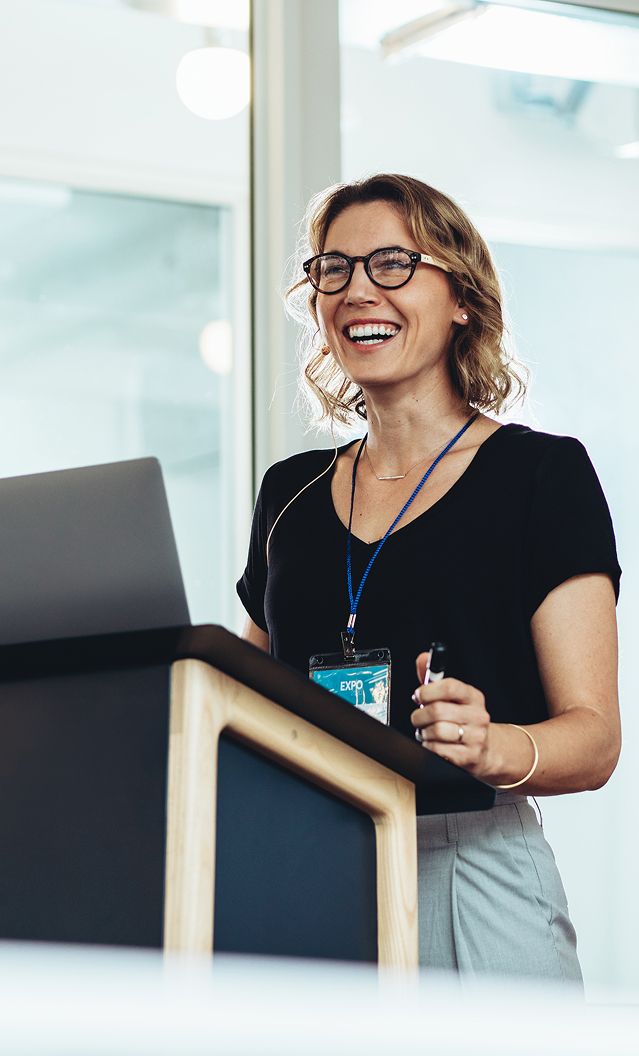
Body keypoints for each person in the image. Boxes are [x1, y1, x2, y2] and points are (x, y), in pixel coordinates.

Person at [237, 173, 621, 984]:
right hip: (309, 869)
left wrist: (490, 745)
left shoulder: (540, 474)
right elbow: (247, 705)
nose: (353, 291)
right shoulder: (289, 493)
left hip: (469, 868)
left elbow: (592, 740)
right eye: (330, 270)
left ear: (461, 299)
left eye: (390, 263)